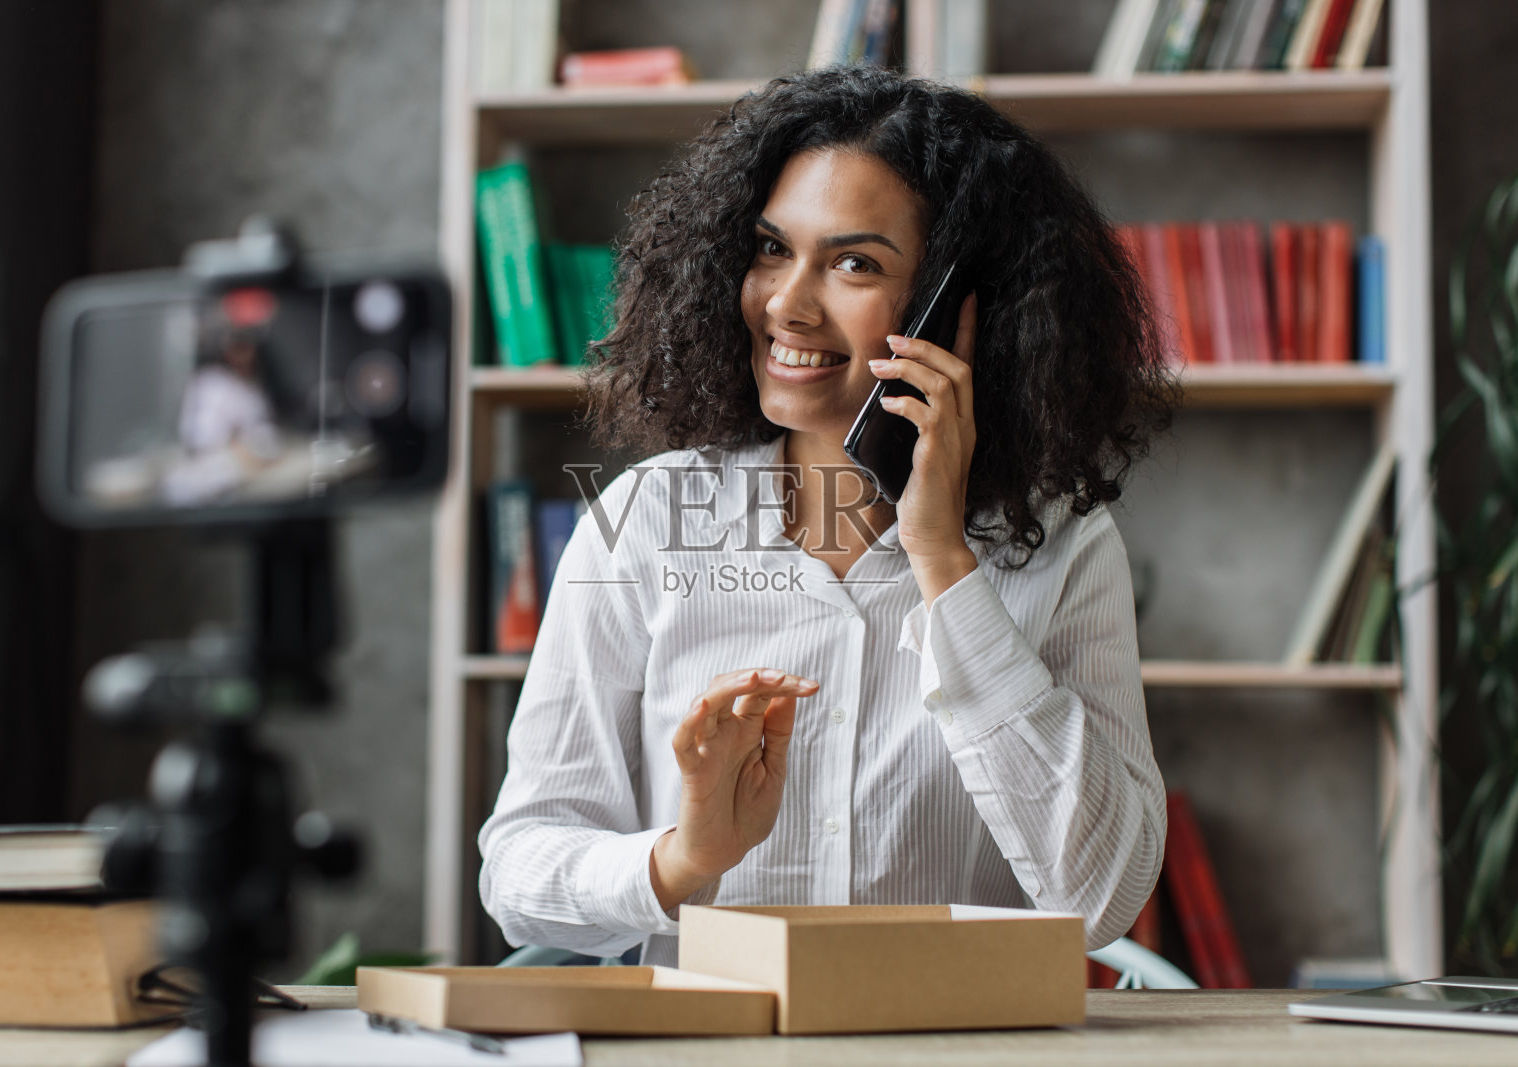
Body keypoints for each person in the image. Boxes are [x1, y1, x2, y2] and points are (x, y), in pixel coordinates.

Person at [479, 66, 1177, 966]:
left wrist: (942, 560)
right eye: (773, 248)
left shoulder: (1064, 547)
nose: (786, 303)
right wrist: (683, 859)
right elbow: (520, 873)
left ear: (960, 309)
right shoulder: (649, 520)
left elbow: (1102, 896)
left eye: (854, 263)